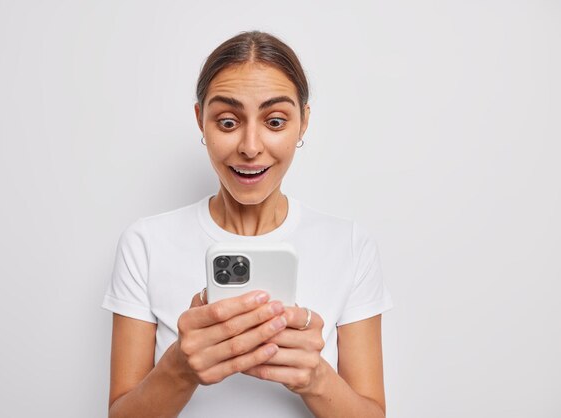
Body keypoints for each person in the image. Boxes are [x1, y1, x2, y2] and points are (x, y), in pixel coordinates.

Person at [101, 30, 393, 418]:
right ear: (200, 121)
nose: (251, 147)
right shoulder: (146, 243)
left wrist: (315, 379)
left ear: (303, 122)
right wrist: (181, 368)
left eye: (275, 121)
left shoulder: (349, 244)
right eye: (226, 122)